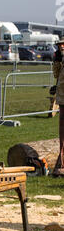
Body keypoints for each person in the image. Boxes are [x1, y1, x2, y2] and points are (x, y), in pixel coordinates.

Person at [52, 36, 64, 177]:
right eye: (59, 45)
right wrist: (57, 61)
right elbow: (56, 74)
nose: (61, 47)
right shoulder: (59, 58)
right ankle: (61, 163)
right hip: (62, 97)